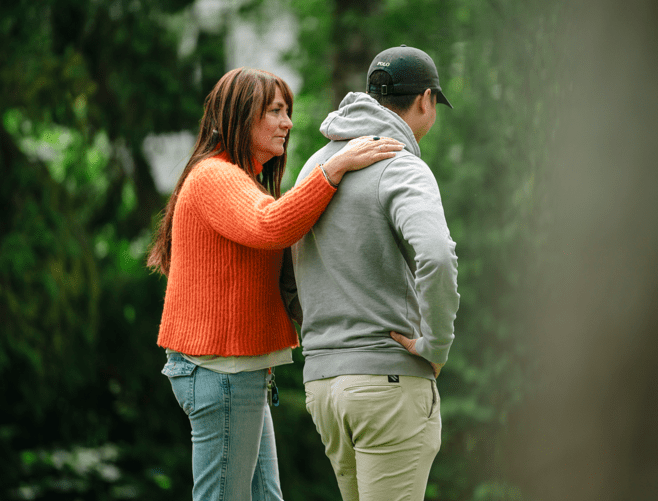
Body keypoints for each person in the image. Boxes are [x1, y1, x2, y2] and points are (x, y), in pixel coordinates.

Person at [146, 67, 402, 501]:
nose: (287, 122)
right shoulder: (216, 176)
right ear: (243, 116)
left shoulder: (233, 178)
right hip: (222, 370)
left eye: (288, 112)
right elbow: (272, 225)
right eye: (275, 112)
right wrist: (334, 168)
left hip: (236, 370)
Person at [290, 45, 460, 501]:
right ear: (426, 100)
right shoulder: (402, 164)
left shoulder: (314, 166)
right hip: (387, 384)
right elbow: (438, 256)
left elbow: (286, 270)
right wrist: (435, 345)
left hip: (323, 386)